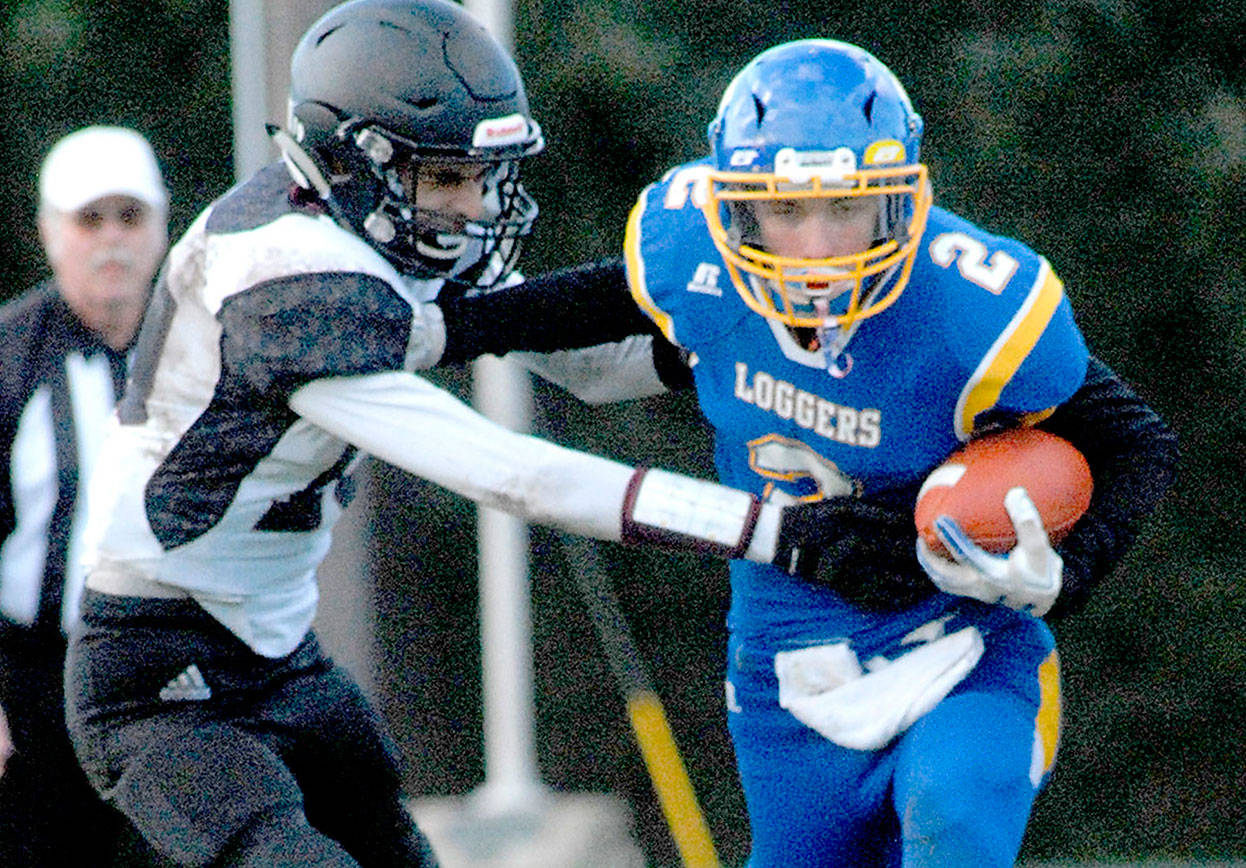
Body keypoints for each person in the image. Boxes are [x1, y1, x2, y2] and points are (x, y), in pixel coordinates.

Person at [60, 4, 866, 866]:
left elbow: (597, 370)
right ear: (356, 159)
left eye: (483, 175)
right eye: (448, 177)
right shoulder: (283, 281)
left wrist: (756, 336)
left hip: (279, 650)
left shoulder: (364, 225)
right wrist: (773, 533)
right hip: (157, 670)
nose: (474, 203)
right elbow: (514, 477)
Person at [432, 39, 1179, 867]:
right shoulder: (693, 259)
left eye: (846, 208)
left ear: (898, 201)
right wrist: (439, 329)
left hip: (957, 650)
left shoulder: (977, 308)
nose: (818, 247)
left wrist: (1068, 576)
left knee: (954, 820)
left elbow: (1134, 442)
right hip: (784, 670)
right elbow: (602, 302)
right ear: (737, 209)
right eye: (786, 213)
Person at [0, 125, 169, 864]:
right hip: (34, 681)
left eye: (130, 218)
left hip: (172, 677)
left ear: (163, 227)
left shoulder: (209, 349)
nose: (112, 241)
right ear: (49, 233)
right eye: (89, 219)